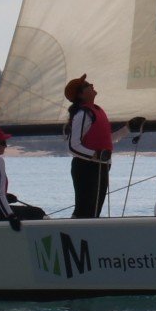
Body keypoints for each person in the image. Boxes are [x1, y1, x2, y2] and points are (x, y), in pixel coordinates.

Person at [63, 75, 113, 219]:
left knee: (94, 210)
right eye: (87, 85)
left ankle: (86, 236)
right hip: (87, 167)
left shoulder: (96, 110)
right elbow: (73, 146)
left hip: (100, 165)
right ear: (81, 94)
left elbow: (107, 140)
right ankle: (79, 235)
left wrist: (128, 129)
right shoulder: (83, 114)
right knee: (85, 209)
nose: (91, 84)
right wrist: (96, 155)